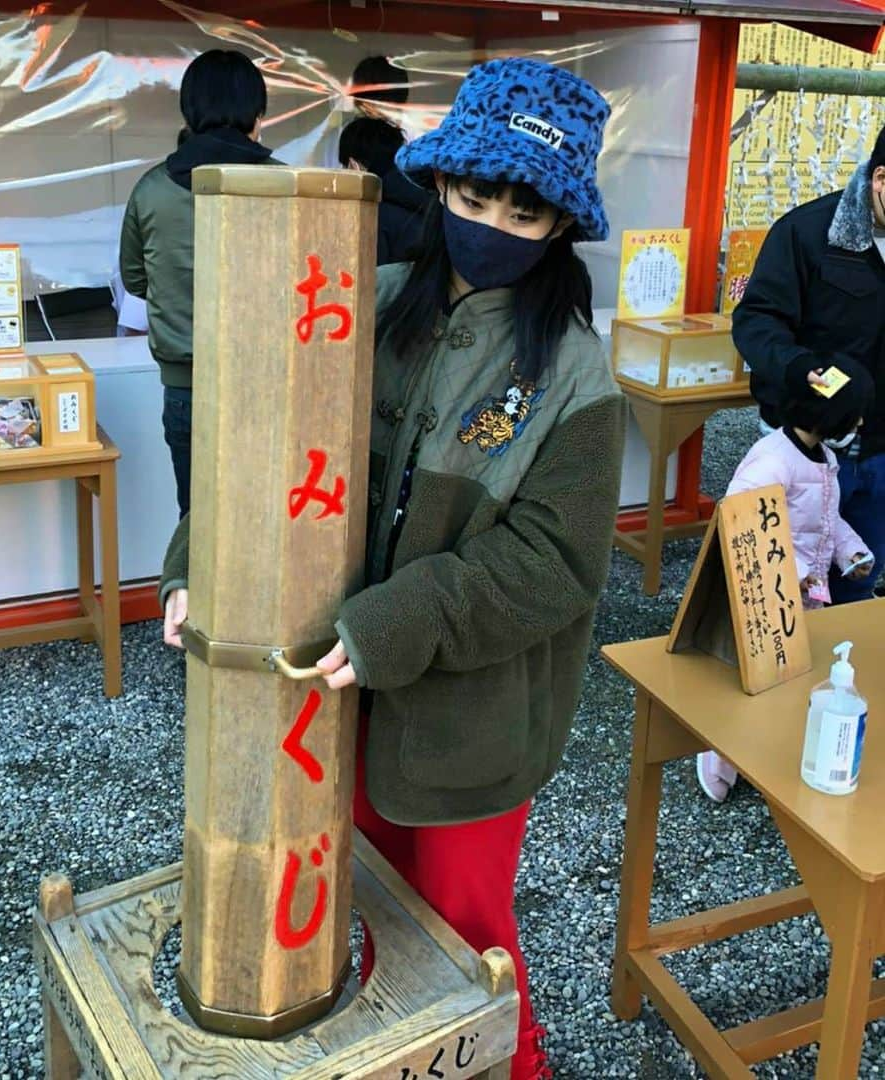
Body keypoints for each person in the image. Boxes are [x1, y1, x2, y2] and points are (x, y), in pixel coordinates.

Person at [160, 58, 626, 1080]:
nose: (494, 222)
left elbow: (552, 565)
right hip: (331, 707)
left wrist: (394, 625)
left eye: (526, 208)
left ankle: (518, 1067)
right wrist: (200, 563)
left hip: (470, 728)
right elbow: (254, 436)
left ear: (561, 225)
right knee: (348, 914)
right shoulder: (353, 304)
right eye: (475, 194)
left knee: (468, 945)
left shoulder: (578, 379)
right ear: (441, 184)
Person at [696, 356, 875, 803]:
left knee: (790, 678)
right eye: (854, 413)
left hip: (802, 595)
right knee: (749, 679)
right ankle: (717, 755)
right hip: (764, 593)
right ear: (831, 416)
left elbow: (828, 520)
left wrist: (851, 554)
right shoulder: (774, 460)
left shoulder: (824, 459)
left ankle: (764, 757)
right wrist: (791, 573)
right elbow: (741, 519)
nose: (859, 422)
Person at [732, 123, 885, 604]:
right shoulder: (807, 232)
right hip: (806, 443)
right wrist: (797, 366)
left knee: (858, 580)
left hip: (883, 451)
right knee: (785, 594)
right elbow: (756, 320)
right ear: (881, 180)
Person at [120, 51, 277, 519]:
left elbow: (134, 280)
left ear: (189, 112)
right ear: (258, 116)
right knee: (266, 521)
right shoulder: (287, 186)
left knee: (198, 522)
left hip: (186, 387)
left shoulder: (150, 189)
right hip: (269, 386)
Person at [338, 116, 432, 264]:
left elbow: (368, 280)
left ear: (354, 165)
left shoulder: (373, 214)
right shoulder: (428, 194)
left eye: (344, 167)